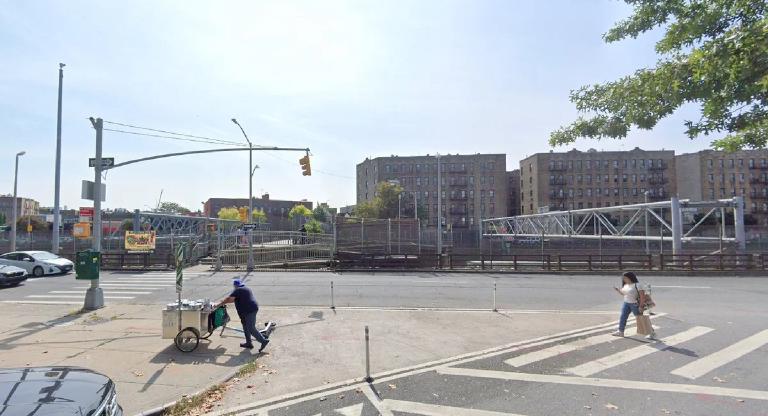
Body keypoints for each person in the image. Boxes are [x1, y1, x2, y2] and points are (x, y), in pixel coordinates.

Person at [216, 278, 269, 352]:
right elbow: (234, 299)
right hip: (247, 310)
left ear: (235, 286)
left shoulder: (238, 290)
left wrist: (221, 303)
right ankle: (249, 343)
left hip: (249, 311)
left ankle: (263, 341)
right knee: (245, 326)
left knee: (251, 328)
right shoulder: (245, 288)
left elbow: (230, 299)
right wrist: (225, 301)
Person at [612, 271, 656, 339]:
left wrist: (641, 306)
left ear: (630, 277)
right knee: (623, 317)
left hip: (635, 304)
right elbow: (624, 294)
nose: (624, 279)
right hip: (626, 303)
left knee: (641, 319)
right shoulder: (626, 285)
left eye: (625, 278)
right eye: (623, 278)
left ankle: (651, 332)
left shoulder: (637, 285)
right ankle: (621, 331)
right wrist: (618, 290)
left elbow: (642, 296)